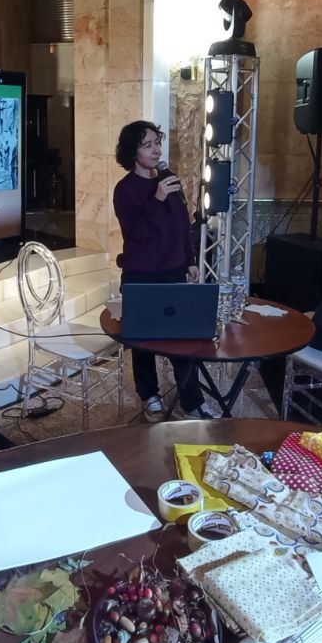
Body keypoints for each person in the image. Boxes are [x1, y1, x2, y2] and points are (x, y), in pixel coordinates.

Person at [112, 120, 217, 421]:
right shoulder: (125, 190)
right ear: (132, 151)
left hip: (173, 272)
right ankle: (150, 396)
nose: (156, 149)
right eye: (148, 144)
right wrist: (156, 199)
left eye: (157, 142)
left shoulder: (169, 180)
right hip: (141, 274)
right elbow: (136, 235)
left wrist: (190, 260)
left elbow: (182, 226)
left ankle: (191, 400)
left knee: (182, 339)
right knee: (142, 343)